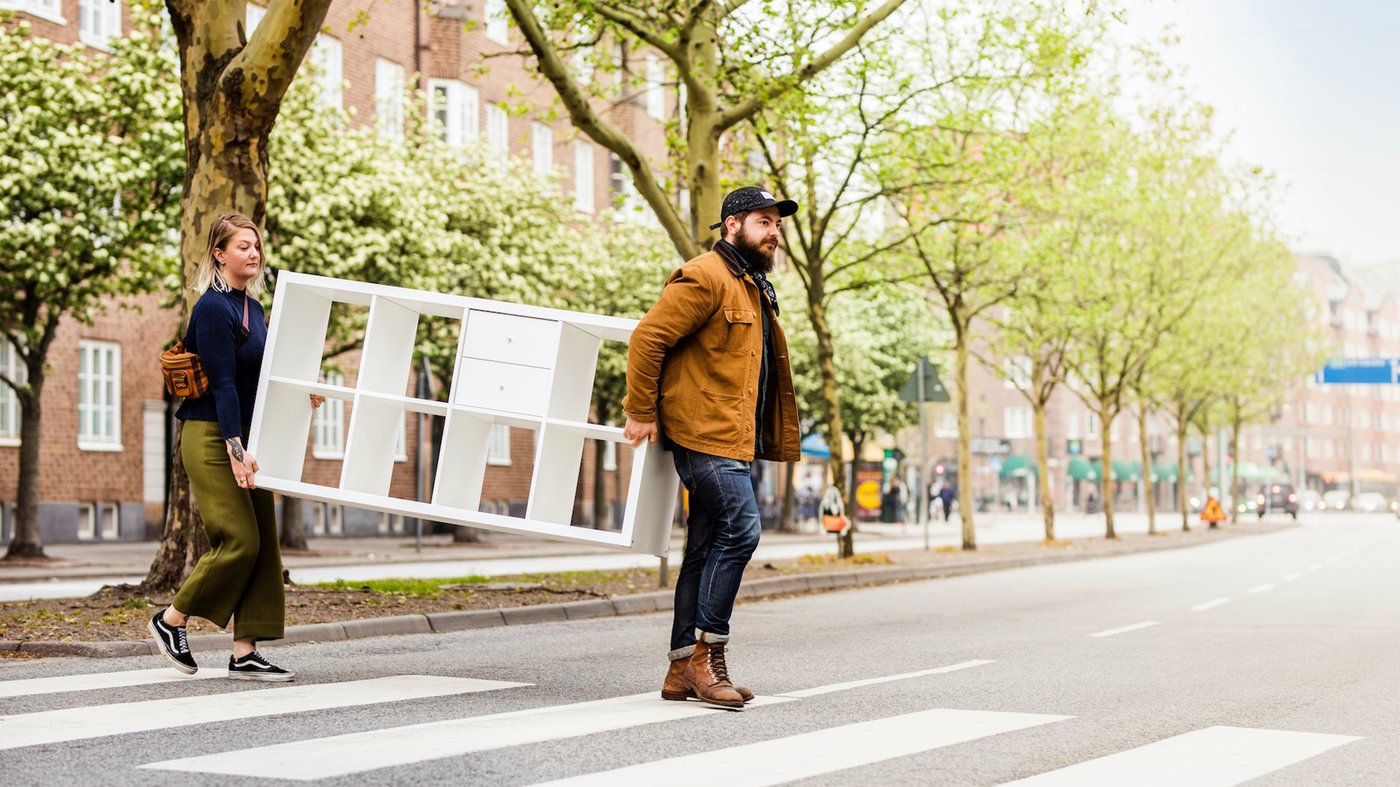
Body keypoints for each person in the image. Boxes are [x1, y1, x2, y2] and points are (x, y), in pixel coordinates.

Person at [623, 186, 801, 710]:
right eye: (764, 222)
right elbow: (648, 339)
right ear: (732, 226)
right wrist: (641, 410)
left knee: (703, 548)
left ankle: (680, 669)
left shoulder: (750, 285)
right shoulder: (705, 276)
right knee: (742, 530)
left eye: (777, 224)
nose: (774, 233)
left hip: (733, 436)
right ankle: (708, 656)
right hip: (703, 435)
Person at [147, 213, 322, 681]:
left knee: (264, 543)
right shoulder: (212, 309)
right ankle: (171, 621)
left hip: (250, 437)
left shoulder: (254, 309)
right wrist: (234, 449)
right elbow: (223, 385)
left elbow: (259, 380)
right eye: (243, 245)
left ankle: (245, 650)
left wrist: (303, 394)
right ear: (220, 254)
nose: (254, 252)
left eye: (257, 245)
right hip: (212, 437)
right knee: (239, 541)